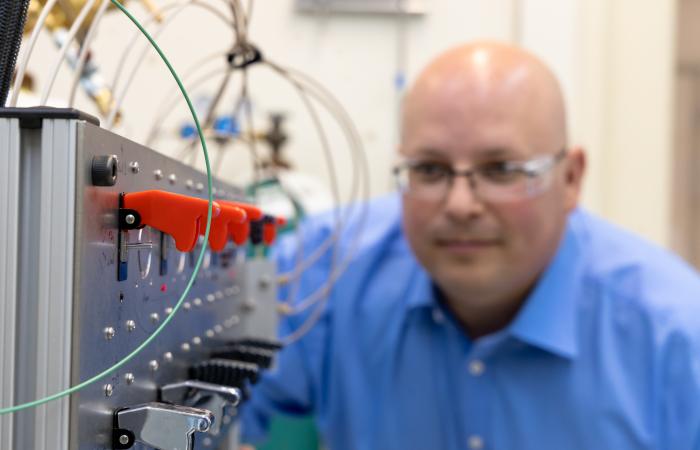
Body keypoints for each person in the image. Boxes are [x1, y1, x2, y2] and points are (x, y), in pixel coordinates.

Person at [240, 41, 700, 450]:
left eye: (501, 170)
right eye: (430, 169)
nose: (460, 205)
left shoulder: (676, 338)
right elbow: (211, 409)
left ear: (571, 178)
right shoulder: (324, 271)